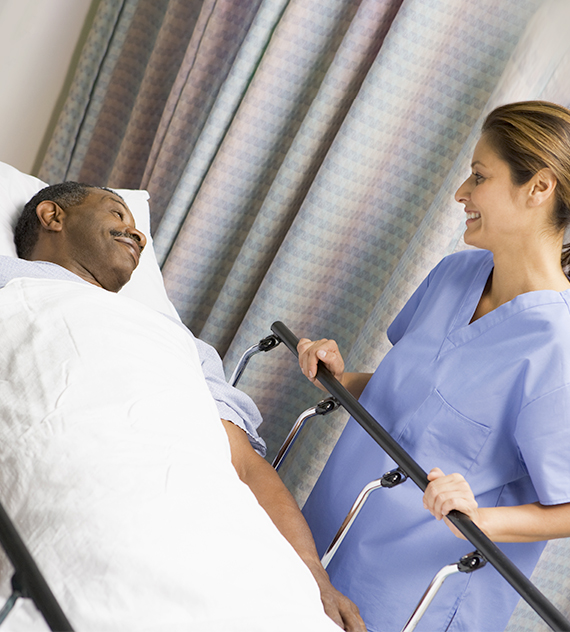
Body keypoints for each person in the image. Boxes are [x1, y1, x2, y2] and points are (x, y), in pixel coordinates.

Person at [2, 182, 365, 631]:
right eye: (117, 214)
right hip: (91, 498)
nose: (137, 234)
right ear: (52, 217)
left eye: (137, 226)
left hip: (212, 529)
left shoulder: (177, 341)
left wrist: (311, 574)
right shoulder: (10, 286)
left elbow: (246, 467)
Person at [297, 101, 570, 632]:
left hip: (414, 596)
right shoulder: (454, 274)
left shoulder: (559, 346)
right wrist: (334, 372)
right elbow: (412, 402)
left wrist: (479, 520)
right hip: (328, 535)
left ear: (538, 188)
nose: (461, 193)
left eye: (479, 176)